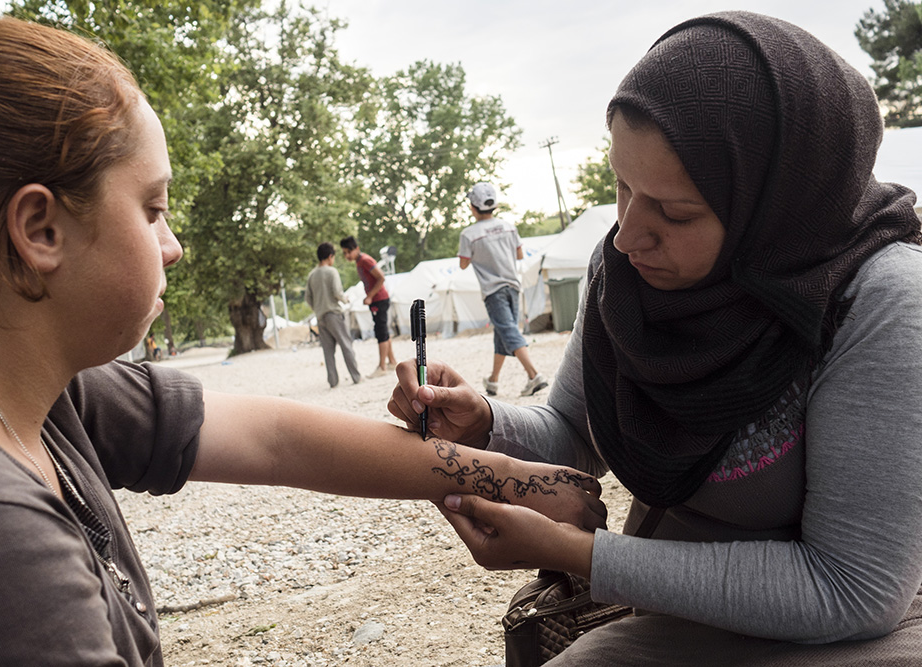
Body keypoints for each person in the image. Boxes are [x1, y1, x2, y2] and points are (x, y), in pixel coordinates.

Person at [0, 18, 606, 665]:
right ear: (40, 229)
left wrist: (523, 478)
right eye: (152, 209)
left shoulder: (38, 393)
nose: (174, 246)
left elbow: (278, 437)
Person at [389, 11, 922, 664]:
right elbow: (576, 432)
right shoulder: (624, 272)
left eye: (676, 212)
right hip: (690, 615)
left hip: (859, 626)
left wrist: (577, 552)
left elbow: (855, 588)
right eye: (621, 186)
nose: (627, 234)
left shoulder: (880, 297)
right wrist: (484, 422)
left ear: (772, 204)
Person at [459, 182, 547, 397]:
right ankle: (493, 381)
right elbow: (519, 255)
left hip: (492, 290)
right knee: (503, 332)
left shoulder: (469, 234)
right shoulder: (509, 226)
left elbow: (463, 263)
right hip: (513, 286)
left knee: (508, 330)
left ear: (472, 207)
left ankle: (534, 375)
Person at [339, 235, 397, 377]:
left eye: (348, 252)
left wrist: (370, 295)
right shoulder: (359, 262)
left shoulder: (365, 260)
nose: (347, 255)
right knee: (383, 331)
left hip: (379, 299)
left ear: (356, 249)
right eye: (344, 253)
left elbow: (381, 277)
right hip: (377, 300)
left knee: (380, 332)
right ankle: (392, 362)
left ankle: (382, 367)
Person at [305, 242, 360, 387]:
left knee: (328, 351)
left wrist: (317, 307)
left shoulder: (312, 275)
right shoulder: (331, 272)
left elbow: (308, 298)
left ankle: (333, 381)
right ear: (330, 256)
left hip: (320, 317)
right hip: (334, 314)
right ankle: (356, 377)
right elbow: (337, 292)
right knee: (346, 345)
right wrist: (345, 299)